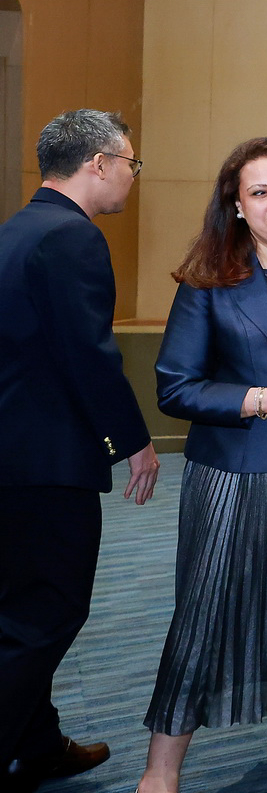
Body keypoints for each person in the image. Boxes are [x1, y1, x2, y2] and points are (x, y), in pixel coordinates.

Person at [140, 138, 267, 793]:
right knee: (204, 617)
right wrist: (263, 399)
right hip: (230, 476)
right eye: (261, 192)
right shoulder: (208, 281)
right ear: (236, 204)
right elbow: (176, 387)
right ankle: (160, 770)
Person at [0, 110, 155, 793]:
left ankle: (39, 747)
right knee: (47, 612)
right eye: (130, 162)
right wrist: (135, 443)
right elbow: (89, 357)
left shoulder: (18, 228)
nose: (131, 175)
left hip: (14, 454)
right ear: (97, 162)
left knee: (21, 605)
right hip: (44, 462)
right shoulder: (72, 237)